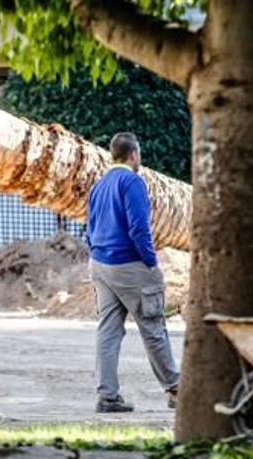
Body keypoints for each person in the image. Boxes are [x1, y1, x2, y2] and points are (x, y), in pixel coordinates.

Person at [86, 132, 181, 413]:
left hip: (100, 264)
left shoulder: (100, 185)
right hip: (129, 265)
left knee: (108, 330)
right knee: (153, 326)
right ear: (134, 154)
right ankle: (175, 389)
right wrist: (151, 262)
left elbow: (90, 228)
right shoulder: (133, 182)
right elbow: (139, 228)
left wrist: (96, 252)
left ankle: (108, 396)